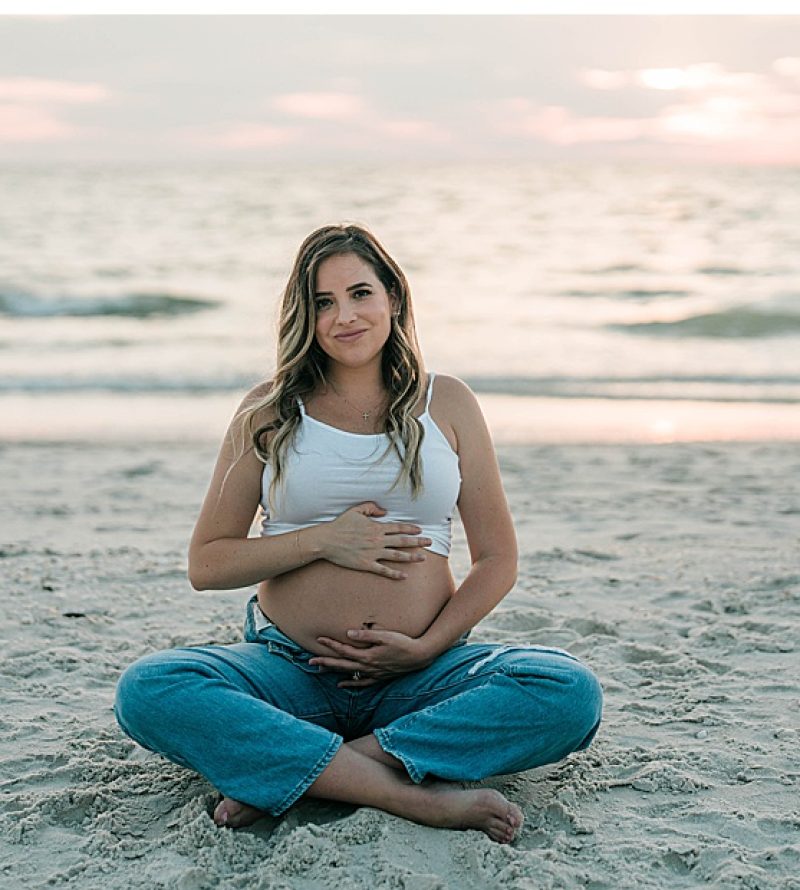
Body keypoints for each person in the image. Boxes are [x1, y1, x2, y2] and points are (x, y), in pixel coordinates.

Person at [114, 224, 602, 845]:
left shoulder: (446, 404)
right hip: (288, 673)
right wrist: (322, 540)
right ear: (304, 314)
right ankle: (409, 796)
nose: (344, 315)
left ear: (393, 298)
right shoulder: (267, 412)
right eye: (323, 302)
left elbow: (498, 558)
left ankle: (308, 771)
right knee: (150, 689)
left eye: (360, 293)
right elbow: (207, 564)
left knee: (568, 691)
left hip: (422, 681)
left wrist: (427, 648)